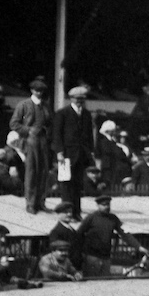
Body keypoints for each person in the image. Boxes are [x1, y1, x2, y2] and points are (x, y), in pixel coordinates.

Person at [9, 77, 54, 213]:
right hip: (30, 141)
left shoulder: (46, 106)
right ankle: (30, 203)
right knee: (31, 172)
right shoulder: (24, 105)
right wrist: (28, 130)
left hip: (44, 141)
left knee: (44, 172)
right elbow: (14, 123)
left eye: (41, 91)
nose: (39, 93)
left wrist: (47, 131)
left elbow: (51, 123)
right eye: (37, 90)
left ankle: (41, 202)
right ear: (32, 90)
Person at [51, 85, 96, 218]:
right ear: (71, 99)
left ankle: (76, 212)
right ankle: (67, 212)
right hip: (66, 155)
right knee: (66, 185)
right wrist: (59, 152)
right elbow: (57, 135)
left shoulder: (87, 114)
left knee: (78, 184)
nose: (79, 101)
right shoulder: (62, 113)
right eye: (77, 99)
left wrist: (91, 151)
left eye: (82, 99)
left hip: (81, 154)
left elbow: (89, 135)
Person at [77, 195, 149, 277]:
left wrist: (139, 247)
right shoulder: (91, 218)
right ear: (98, 205)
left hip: (106, 257)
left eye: (108, 204)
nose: (106, 207)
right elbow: (79, 234)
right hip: (92, 257)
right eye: (104, 205)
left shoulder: (113, 218)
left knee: (106, 281)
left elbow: (124, 233)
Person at [46, 202, 83, 269]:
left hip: (76, 264)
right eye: (66, 212)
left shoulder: (71, 229)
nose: (69, 214)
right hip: (65, 266)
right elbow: (56, 252)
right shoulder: (56, 231)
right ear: (58, 214)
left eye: (70, 212)